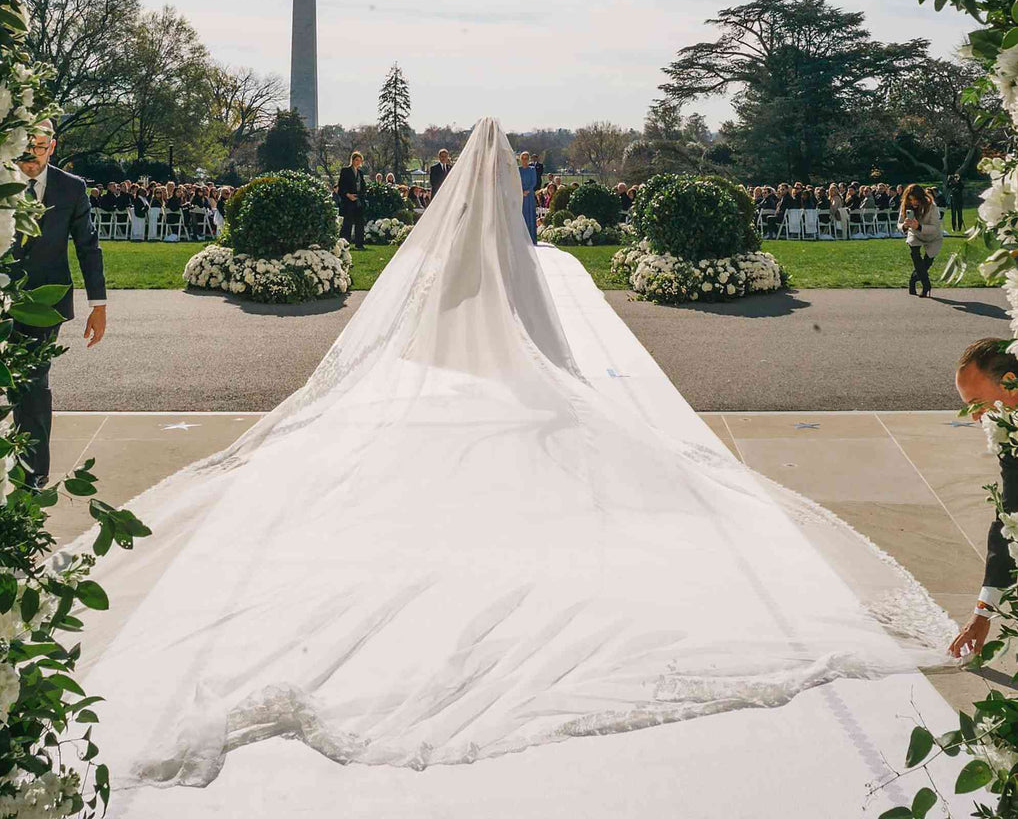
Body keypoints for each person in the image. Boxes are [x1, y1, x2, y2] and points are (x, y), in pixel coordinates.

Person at [66, 116, 950, 805]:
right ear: (507, 175)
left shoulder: (454, 235)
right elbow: (532, 317)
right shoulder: (512, 227)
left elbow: (437, 306)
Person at [9, 120, 107, 489]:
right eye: (25, 145)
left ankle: (33, 475)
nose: (31, 154)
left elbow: (88, 247)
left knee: (33, 382)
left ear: (52, 146)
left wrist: (98, 304)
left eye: (39, 146)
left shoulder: (71, 188)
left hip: (45, 305)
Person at [950, 338, 1018, 658]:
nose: (975, 417)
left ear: (1009, 384)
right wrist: (984, 610)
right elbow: (1010, 516)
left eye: (976, 402)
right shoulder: (1009, 435)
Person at [899, 182, 943, 297]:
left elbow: (935, 227)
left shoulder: (931, 206)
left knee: (926, 264)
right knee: (914, 253)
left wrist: (919, 226)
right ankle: (926, 285)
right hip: (915, 234)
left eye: (916, 200)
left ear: (921, 198)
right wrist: (904, 226)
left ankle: (913, 280)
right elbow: (898, 224)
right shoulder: (906, 206)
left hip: (932, 236)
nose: (913, 202)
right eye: (910, 200)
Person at [338, 151, 367, 250]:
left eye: (360, 160)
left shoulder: (360, 173)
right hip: (348, 200)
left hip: (358, 200)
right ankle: (344, 244)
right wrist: (348, 195)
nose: (358, 162)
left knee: (360, 223)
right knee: (348, 223)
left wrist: (360, 195)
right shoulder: (345, 171)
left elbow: (363, 187)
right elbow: (341, 186)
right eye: (356, 160)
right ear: (353, 160)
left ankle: (359, 244)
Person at [519, 150, 538, 244]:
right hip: (520, 194)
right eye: (523, 158)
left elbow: (534, 182)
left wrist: (528, 190)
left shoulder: (532, 169)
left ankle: (531, 237)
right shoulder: (518, 170)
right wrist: (521, 191)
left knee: (530, 214)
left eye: (526, 158)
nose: (524, 160)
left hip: (529, 195)